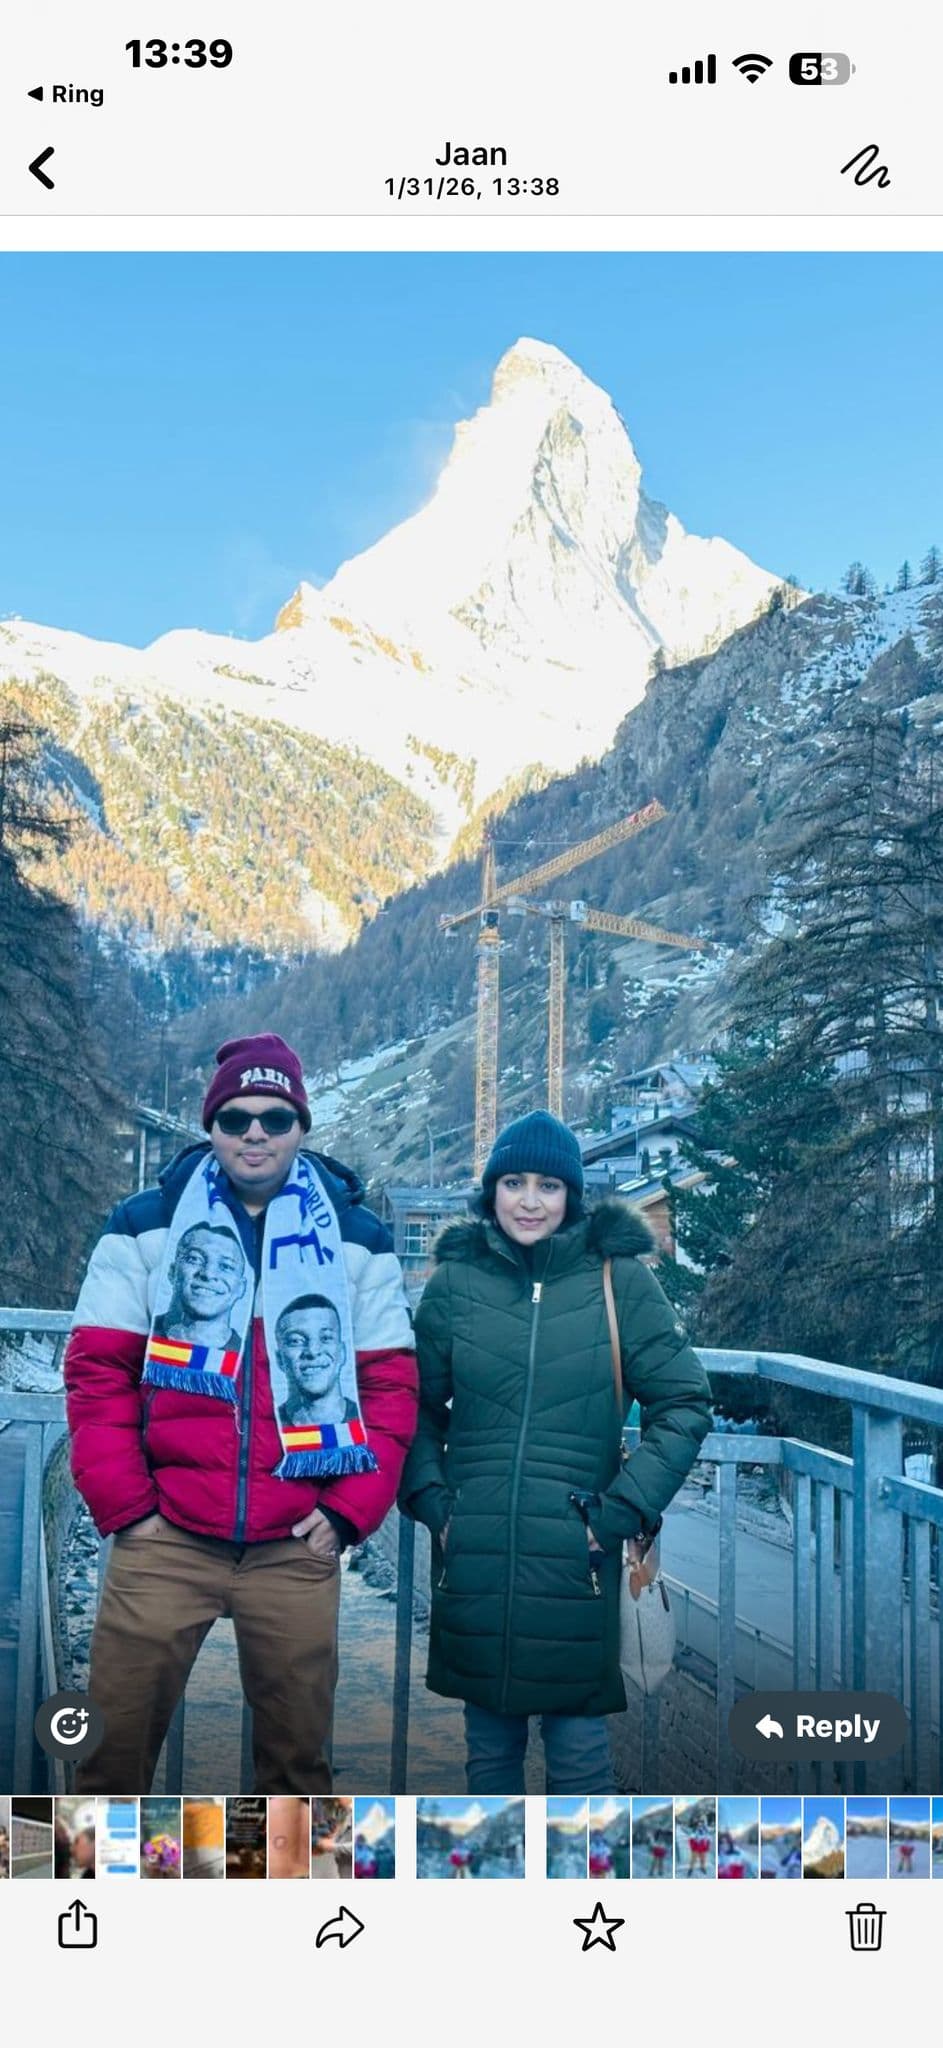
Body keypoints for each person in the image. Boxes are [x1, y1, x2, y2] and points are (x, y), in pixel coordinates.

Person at [65, 1031, 418, 1795]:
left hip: (295, 1543)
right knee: (109, 1763)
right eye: (234, 1117)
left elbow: (390, 1386)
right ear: (210, 1124)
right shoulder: (144, 1223)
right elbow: (99, 1373)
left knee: (297, 1772)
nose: (254, 1132)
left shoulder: (359, 1239)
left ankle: (288, 1915)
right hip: (163, 1538)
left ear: (302, 1126)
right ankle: (84, 1910)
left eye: (274, 1116)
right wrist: (127, 1508)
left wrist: (349, 1512)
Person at [399, 1110, 712, 1794]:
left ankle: (581, 1904)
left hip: (578, 1562)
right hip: (476, 1558)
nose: (530, 1200)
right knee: (488, 1765)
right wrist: (433, 1503)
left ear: (571, 1195)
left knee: (579, 1765)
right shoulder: (454, 1286)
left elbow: (684, 1401)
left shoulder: (618, 1281)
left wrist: (618, 1513)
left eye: (547, 1184)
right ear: (492, 1191)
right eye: (514, 1182)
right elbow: (410, 1407)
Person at [274, 1295, 359, 1430]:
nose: (313, 1351)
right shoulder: (266, 1426)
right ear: (280, 1359)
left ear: (342, 1352)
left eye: (325, 1338)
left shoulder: (367, 1420)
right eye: (296, 1341)